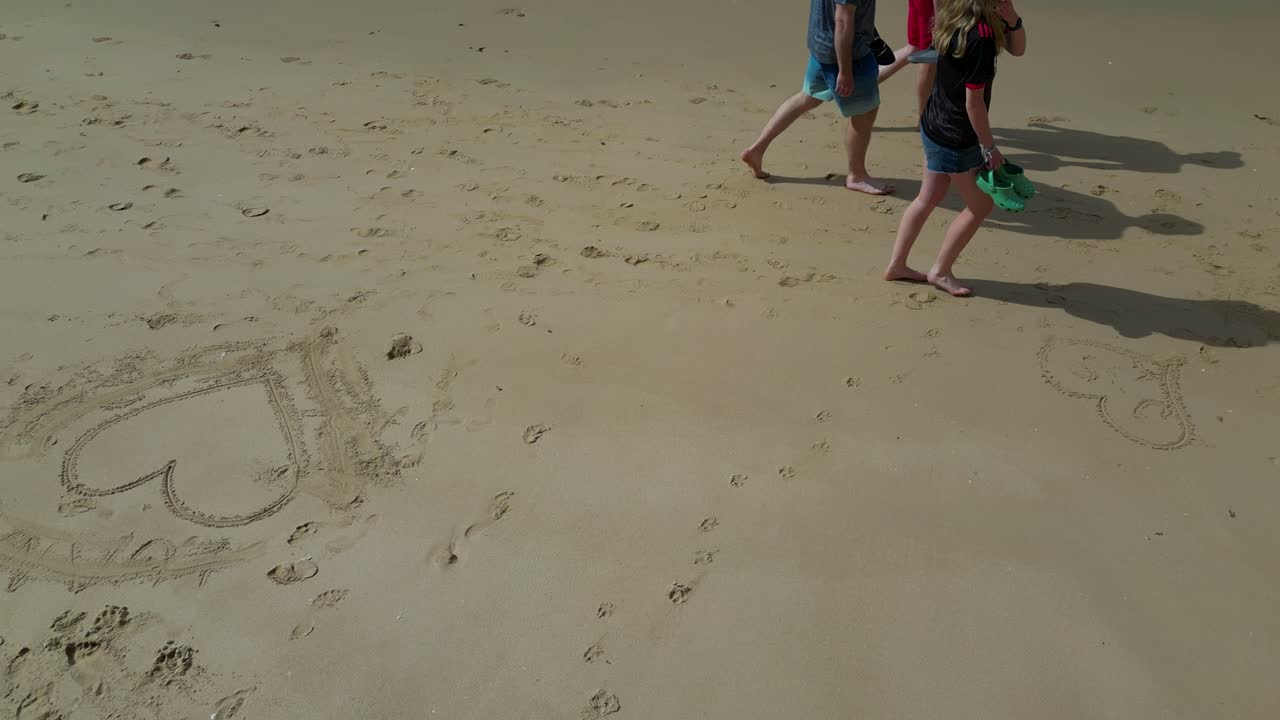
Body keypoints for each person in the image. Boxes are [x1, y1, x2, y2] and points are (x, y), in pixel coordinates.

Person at [883, 0, 1026, 297]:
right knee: (981, 205)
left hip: (933, 122)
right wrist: (990, 148)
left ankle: (897, 265)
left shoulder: (950, 18)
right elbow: (973, 103)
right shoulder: (982, 37)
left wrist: (1013, 20)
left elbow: (1018, 49)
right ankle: (941, 271)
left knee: (928, 196)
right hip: (955, 137)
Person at [740, 0, 893, 196]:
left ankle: (757, 149)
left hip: (821, 43)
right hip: (846, 54)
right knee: (864, 112)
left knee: (807, 97)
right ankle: (857, 175)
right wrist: (845, 71)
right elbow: (843, 20)